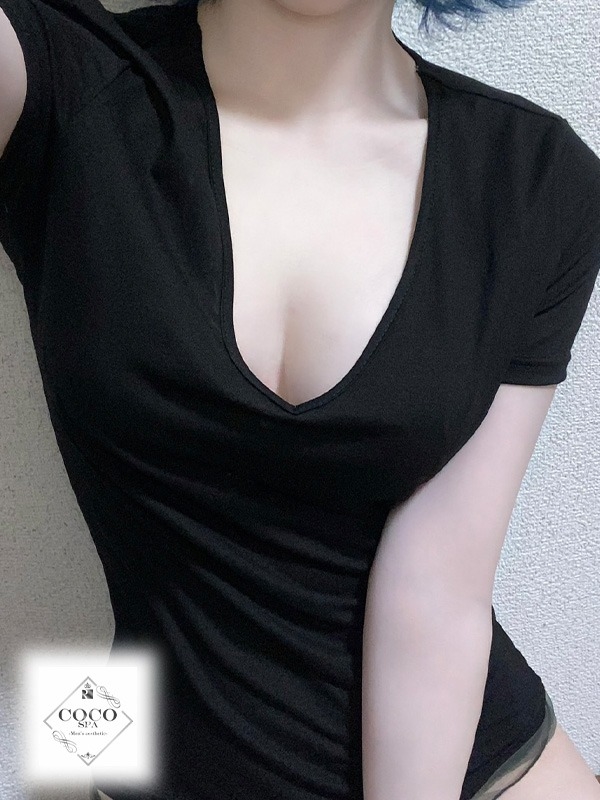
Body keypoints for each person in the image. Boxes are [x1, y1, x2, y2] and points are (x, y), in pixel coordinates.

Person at [1, 0, 599, 799]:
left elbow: (438, 586)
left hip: (473, 768)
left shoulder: (538, 178)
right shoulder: (58, 82)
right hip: (158, 759)